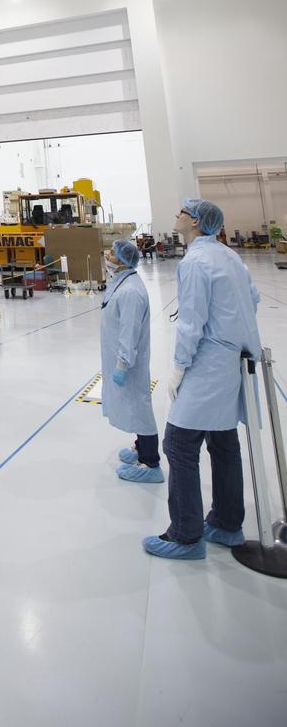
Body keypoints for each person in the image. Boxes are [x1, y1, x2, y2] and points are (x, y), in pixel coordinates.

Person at [142, 198, 262, 560]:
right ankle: (227, 524)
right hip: (231, 359)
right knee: (223, 441)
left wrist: (179, 366)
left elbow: (192, 322)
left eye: (182, 212)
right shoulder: (228, 256)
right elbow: (253, 299)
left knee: (179, 444)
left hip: (207, 362)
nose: (176, 216)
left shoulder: (195, 262)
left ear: (194, 222)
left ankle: (185, 536)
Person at [101, 239, 163, 483]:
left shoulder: (130, 292)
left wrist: (122, 365)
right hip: (120, 359)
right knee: (134, 407)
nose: (108, 257)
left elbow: (129, 333)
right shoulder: (122, 283)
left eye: (112, 254)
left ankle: (150, 463)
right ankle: (141, 447)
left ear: (124, 261)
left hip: (129, 364)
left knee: (140, 408)